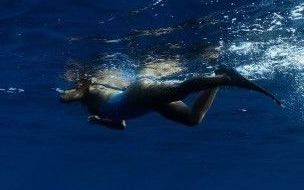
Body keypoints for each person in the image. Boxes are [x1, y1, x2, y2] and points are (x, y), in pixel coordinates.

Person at [60, 65, 281, 130]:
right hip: (148, 104)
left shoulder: (86, 90)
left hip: (138, 94)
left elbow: (66, 98)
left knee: (179, 90)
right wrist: (100, 122)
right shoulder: (94, 108)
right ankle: (218, 76)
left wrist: (72, 92)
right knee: (192, 119)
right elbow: (121, 125)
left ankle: (224, 77)